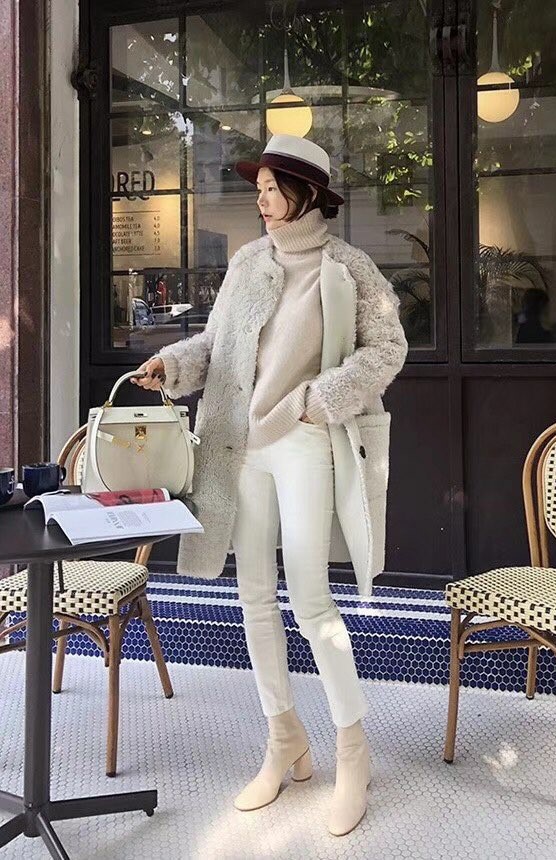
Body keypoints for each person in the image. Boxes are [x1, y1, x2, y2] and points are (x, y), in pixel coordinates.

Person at [131, 134, 408, 836]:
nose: (258, 198)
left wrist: (319, 399)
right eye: (256, 187)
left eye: (269, 187)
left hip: (306, 442)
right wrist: (171, 365)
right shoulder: (249, 262)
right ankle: (283, 737)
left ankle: (352, 753)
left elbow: (388, 348)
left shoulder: (348, 268)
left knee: (312, 602)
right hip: (241, 448)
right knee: (253, 595)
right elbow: (217, 347)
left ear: (304, 193)